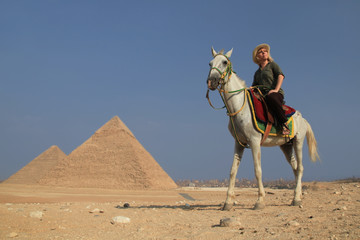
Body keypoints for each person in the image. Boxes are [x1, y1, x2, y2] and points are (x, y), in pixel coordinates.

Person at [251, 43, 290, 135]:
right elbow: (254, 86)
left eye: (265, 51)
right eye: (261, 52)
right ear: (257, 56)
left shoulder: (272, 65)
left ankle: (284, 123)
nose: (264, 53)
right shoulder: (257, 73)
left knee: (271, 97)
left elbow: (281, 76)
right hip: (263, 95)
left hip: (275, 93)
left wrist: (276, 90)